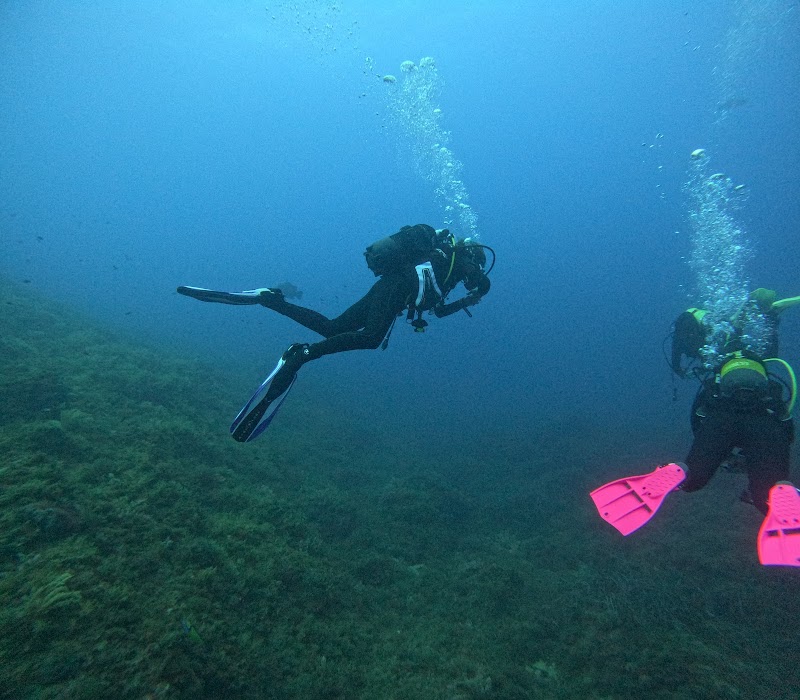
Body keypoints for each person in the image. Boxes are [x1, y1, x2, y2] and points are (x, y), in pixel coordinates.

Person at [177, 224, 493, 440]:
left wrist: (467, 299)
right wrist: (479, 285)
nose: (471, 277)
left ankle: (269, 299)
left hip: (390, 286)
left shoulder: (444, 263)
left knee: (334, 328)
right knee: (371, 338)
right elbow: (452, 291)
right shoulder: (461, 260)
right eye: (475, 267)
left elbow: (436, 309)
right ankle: (302, 354)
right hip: (396, 287)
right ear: (473, 255)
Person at [669, 288, 799, 513]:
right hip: (764, 418)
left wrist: (712, 447)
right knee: (765, 498)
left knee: (693, 479)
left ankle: (678, 471)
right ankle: (783, 486)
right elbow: (786, 428)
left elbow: (698, 416)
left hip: (721, 418)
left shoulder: (718, 367)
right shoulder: (765, 373)